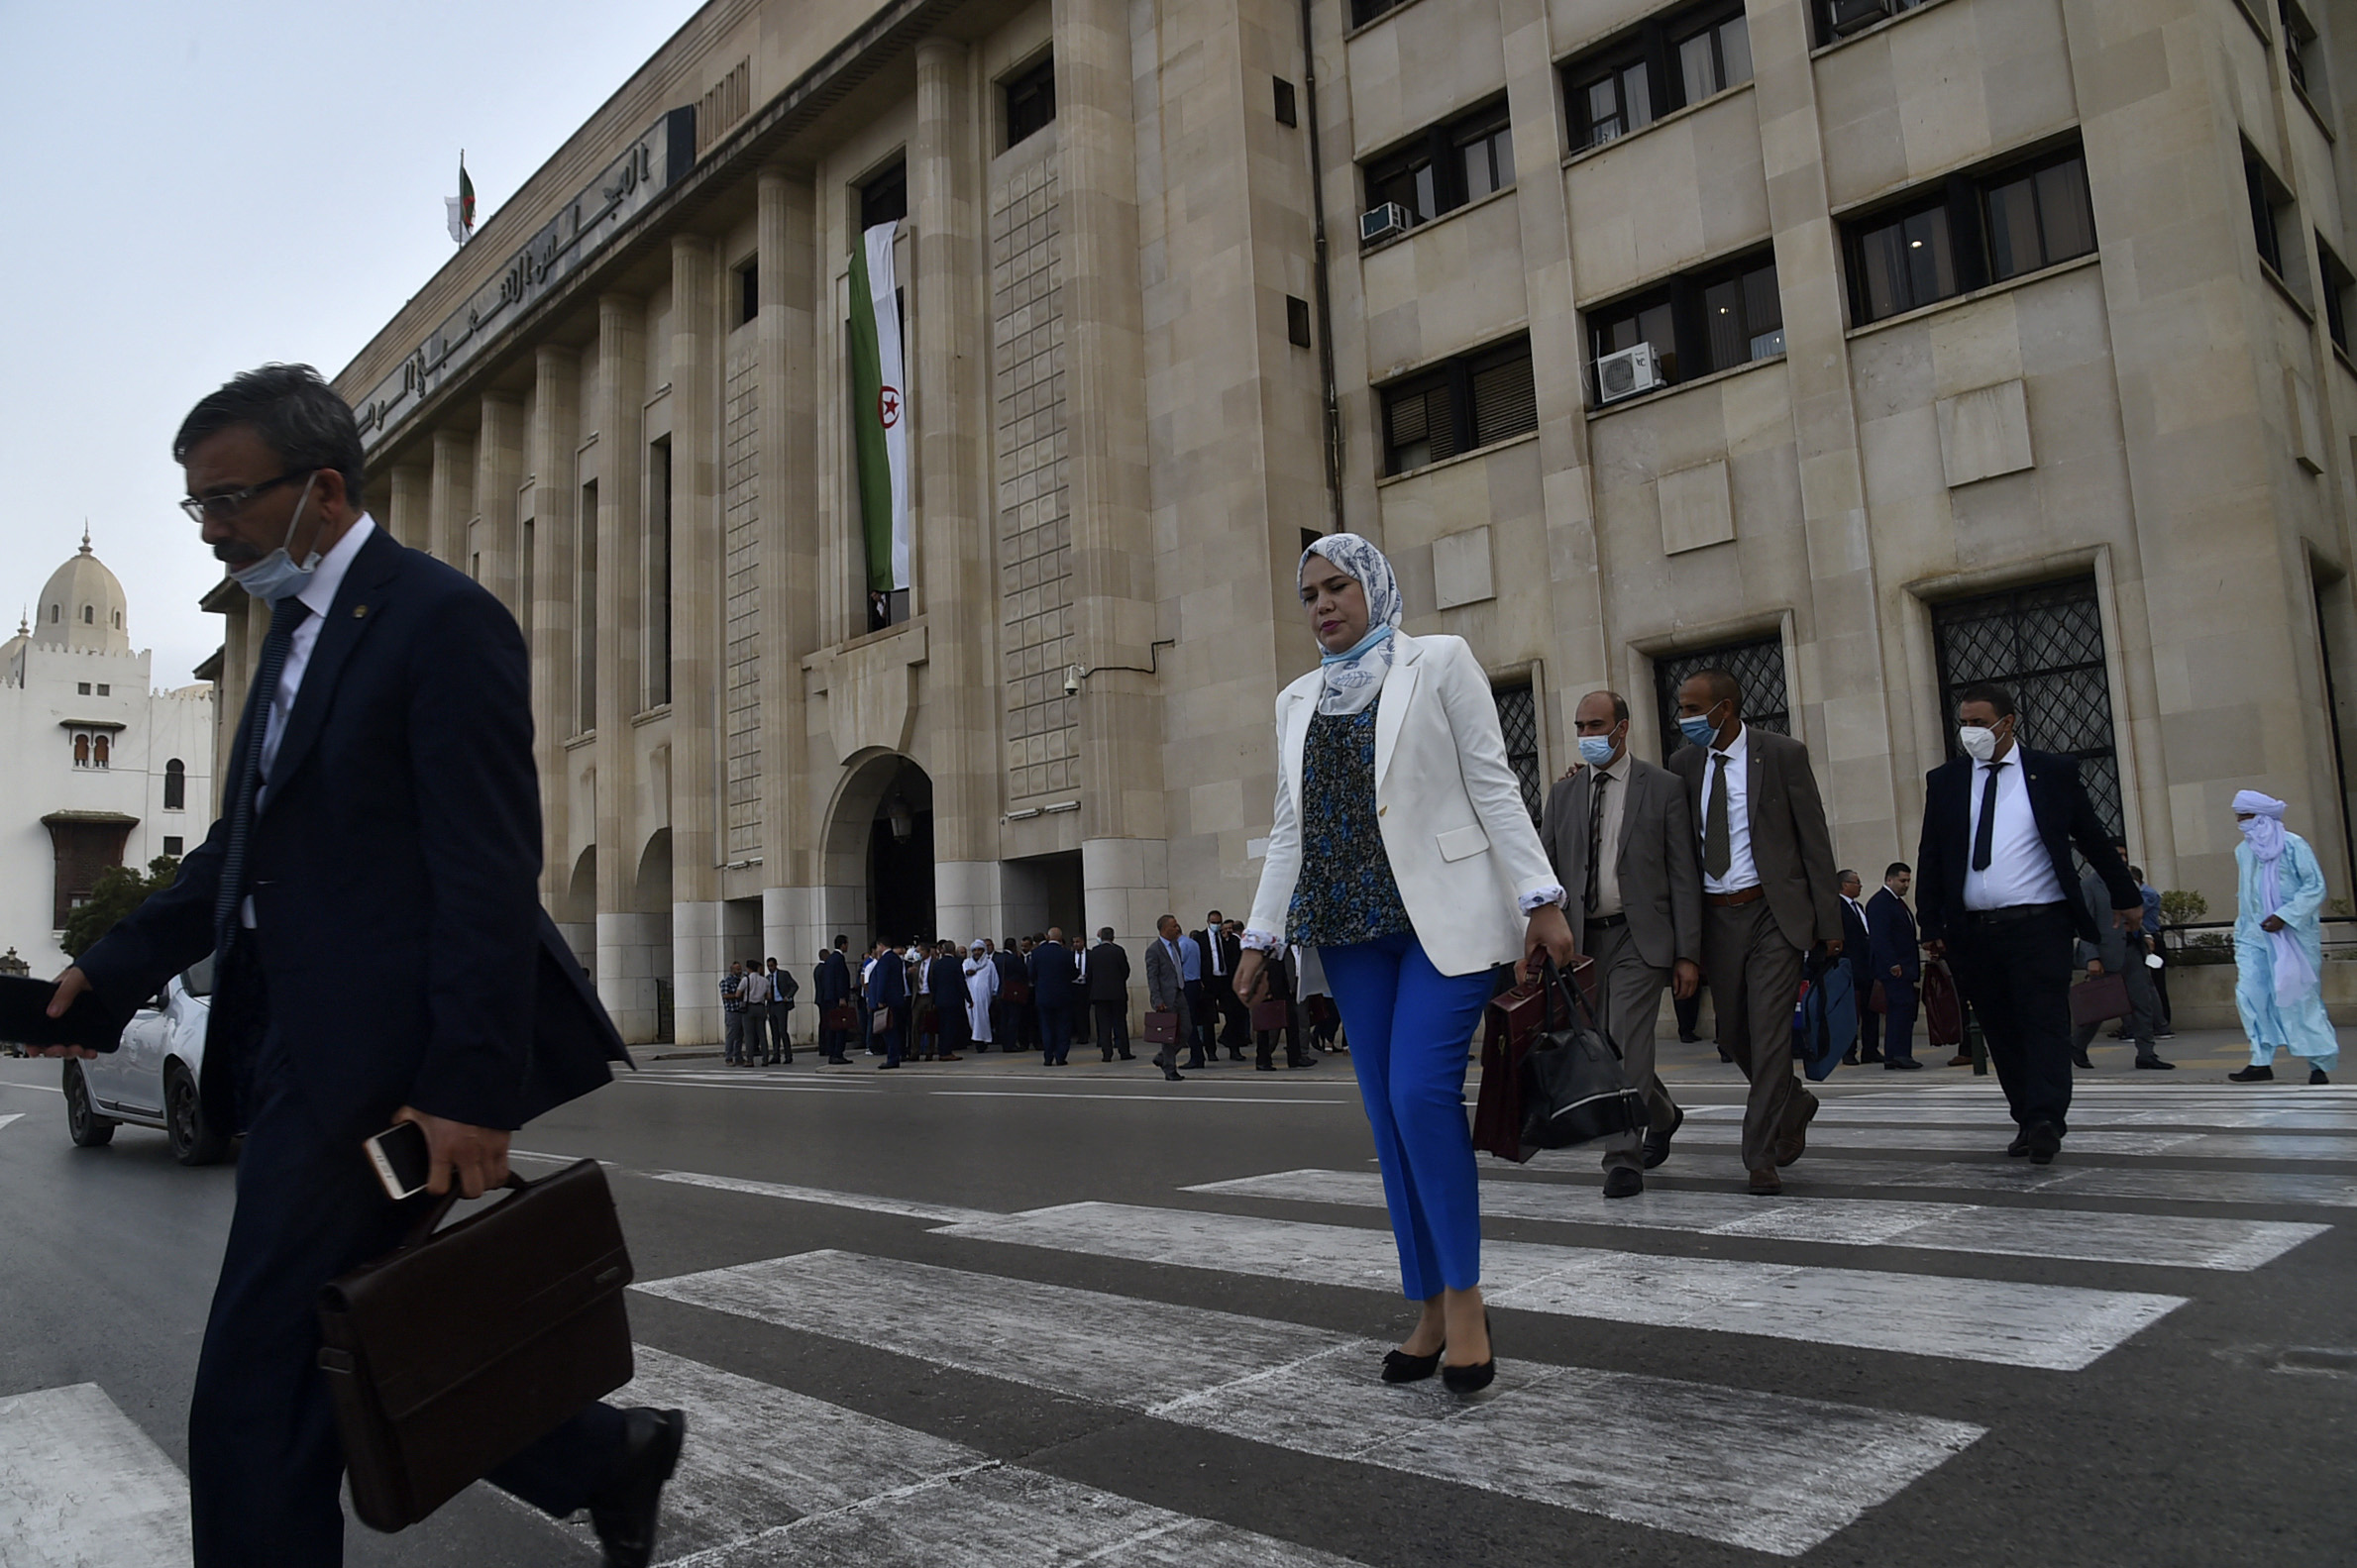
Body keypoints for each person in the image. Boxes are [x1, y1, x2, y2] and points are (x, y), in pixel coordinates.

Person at [39, 366, 678, 1567]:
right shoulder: (287, 640)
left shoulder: (439, 620)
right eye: (196, 507)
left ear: (320, 490)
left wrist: (471, 1087)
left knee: (254, 1387)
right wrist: (112, 966)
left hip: (380, 1075)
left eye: (226, 501)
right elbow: (247, 847)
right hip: (289, 1048)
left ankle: (602, 1452)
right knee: (356, 1339)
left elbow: (488, 871)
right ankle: (601, 1453)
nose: (211, 530)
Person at [1232, 535, 1573, 1396]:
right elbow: (1289, 828)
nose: (1322, 604)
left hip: (1443, 919)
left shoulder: (1439, 661)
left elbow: (1492, 780)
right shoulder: (1295, 699)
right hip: (1349, 928)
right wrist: (1258, 935)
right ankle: (1424, 1301)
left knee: (1423, 1094)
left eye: (1338, 585)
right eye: (1308, 593)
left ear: (1374, 586)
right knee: (1389, 1119)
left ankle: (1465, 1300)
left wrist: (1540, 896)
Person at [1915, 683, 2142, 1164]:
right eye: (1964, 723)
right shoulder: (1948, 780)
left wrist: (2126, 895)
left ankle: (2045, 1119)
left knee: (2043, 1022)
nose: (1969, 732)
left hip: (2040, 925)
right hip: (1973, 929)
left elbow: (2093, 839)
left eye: (1979, 722)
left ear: (2007, 722)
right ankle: (2025, 1116)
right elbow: (1931, 854)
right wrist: (1930, 921)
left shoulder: (2053, 773)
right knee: (2000, 1028)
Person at [1668, 669, 1843, 1196]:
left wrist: (1829, 924)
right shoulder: (1683, 765)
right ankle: (1794, 1100)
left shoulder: (1782, 753)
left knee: (1768, 1035)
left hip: (1773, 913)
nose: (1685, 719)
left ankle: (1758, 1156)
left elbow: (1813, 838)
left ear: (1725, 708)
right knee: (1731, 1034)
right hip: (1717, 918)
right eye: (1681, 709)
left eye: (1694, 709)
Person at [1537, 688, 1699, 1197]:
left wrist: (1688, 952)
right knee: (1600, 1049)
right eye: (1580, 727)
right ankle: (1664, 1112)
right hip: (1581, 943)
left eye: (1596, 725)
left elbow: (1683, 876)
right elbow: (1543, 872)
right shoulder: (1563, 794)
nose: (1587, 736)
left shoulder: (1664, 787)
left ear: (1623, 728)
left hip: (1639, 936)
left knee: (1627, 1040)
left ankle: (1622, 1159)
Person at [2226, 791, 2338, 1085]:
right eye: (2239, 817)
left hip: (2293, 936)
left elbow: (2314, 887)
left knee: (2299, 997)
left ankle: (2318, 1064)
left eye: (2245, 817)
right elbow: (2246, 895)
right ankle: (2260, 1059)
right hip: (2253, 936)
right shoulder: (2243, 851)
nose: (2241, 823)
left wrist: (2285, 916)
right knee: (2250, 994)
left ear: (2262, 818)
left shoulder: (2294, 845)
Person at [2073, 858, 2171, 1071]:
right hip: (2106, 953)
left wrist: (2144, 934)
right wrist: (2092, 957)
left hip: (2132, 950)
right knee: (2099, 1007)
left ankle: (2146, 1053)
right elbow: (2085, 923)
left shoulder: (2126, 882)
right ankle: (2077, 1045)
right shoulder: (2089, 885)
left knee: (2142, 1002)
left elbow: (2134, 914)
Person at [1866, 863, 1923, 1069]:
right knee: (1900, 1008)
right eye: (1902, 880)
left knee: (1905, 1009)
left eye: (1908, 880)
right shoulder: (1881, 903)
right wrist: (1892, 964)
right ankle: (1898, 1054)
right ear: (1889, 879)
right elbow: (1880, 938)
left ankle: (1897, 1053)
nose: (1906, 885)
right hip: (1895, 968)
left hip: (1905, 966)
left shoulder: (1897, 903)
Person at [1835, 872, 1877, 1065]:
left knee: (1871, 1009)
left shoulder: (1859, 907)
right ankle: (1849, 1051)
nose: (1860, 886)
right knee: (1851, 1012)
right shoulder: (1837, 907)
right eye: (1856, 883)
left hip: (1867, 966)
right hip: (1849, 966)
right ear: (1844, 885)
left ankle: (1871, 1049)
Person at [1194, 910, 1248, 1061]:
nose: (1216, 925)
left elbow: (1235, 956)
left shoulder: (1228, 939)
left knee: (1233, 1015)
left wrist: (1227, 940)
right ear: (1208, 922)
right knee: (1208, 1019)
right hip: (1209, 981)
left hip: (1225, 981)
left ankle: (1234, 1048)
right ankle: (1211, 1051)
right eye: (1214, 922)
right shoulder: (1200, 939)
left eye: (1219, 923)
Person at [1144, 915, 1192, 1082]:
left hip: (1179, 992)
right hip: (1165, 998)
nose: (1177, 929)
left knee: (1186, 1030)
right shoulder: (1154, 950)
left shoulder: (1176, 946)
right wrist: (1157, 999)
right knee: (1168, 1035)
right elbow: (1153, 977)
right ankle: (1170, 1068)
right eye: (1174, 926)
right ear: (1165, 929)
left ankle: (1162, 1057)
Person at [1028, 924, 1079, 1066]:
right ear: (1061, 938)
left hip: (1044, 996)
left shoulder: (1037, 953)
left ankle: (1048, 1056)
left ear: (1048, 937)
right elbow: (1074, 973)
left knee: (1047, 1027)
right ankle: (1061, 1056)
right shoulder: (1066, 953)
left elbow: (1031, 974)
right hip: (1064, 996)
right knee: (1063, 1027)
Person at [1088, 927, 1133, 1061]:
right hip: (1117, 993)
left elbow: (1089, 974)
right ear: (1113, 937)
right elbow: (1125, 971)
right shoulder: (1118, 951)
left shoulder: (1094, 953)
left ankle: (1106, 1053)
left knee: (1103, 1025)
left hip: (1100, 994)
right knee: (1120, 1023)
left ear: (1101, 937)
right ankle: (1124, 1051)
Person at [865, 936, 908, 1070]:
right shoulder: (896, 959)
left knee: (888, 1030)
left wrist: (880, 999)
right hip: (897, 999)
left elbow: (882, 981)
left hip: (887, 1001)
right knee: (894, 1029)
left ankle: (892, 1057)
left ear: (881, 945)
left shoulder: (884, 960)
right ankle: (896, 1055)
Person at [922, 942, 968, 1061]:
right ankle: (946, 1052)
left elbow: (932, 982)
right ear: (953, 950)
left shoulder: (937, 964)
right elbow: (960, 982)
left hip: (940, 1000)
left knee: (942, 1026)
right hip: (953, 1000)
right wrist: (968, 998)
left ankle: (942, 1049)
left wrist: (934, 999)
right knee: (950, 1027)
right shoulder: (956, 963)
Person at [816, 936, 853, 1063]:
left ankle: (833, 1052)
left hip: (829, 998)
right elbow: (840, 979)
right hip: (837, 999)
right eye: (847, 944)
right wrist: (841, 997)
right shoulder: (838, 959)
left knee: (833, 1026)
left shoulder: (830, 959)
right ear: (843, 945)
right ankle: (838, 1053)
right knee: (840, 1026)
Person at [962, 941, 1000, 1051]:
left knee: (982, 1017)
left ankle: (981, 1041)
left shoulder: (989, 964)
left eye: (979, 950)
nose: (977, 952)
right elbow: (962, 974)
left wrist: (994, 992)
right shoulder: (967, 963)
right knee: (972, 1018)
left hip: (984, 996)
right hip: (970, 996)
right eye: (975, 950)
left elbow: (994, 979)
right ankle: (978, 1038)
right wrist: (967, 972)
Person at [736, 959, 769, 1067]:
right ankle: (765, 1058)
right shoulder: (765, 980)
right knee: (762, 1034)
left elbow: (738, 994)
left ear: (748, 968)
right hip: (760, 1007)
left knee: (749, 1035)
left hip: (749, 1007)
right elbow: (769, 996)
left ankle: (750, 1059)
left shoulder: (746, 980)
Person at [764, 957, 796, 1065]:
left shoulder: (783, 974)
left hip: (781, 1004)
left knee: (782, 1030)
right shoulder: (767, 978)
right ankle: (776, 1055)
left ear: (776, 965)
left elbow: (794, 986)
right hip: (771, 1005)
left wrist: (788, 996)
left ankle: (788, 1055)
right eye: (768, 966)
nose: (770, 968)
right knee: (774, 1032)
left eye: (771, 966)